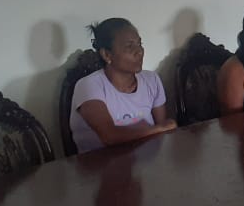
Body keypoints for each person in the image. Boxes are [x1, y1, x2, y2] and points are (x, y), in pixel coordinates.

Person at [69, 18, 177, 153]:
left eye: (139, 44)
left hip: (146, 162)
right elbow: (110, 137)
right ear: (107, 54)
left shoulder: (151, 80)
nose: (139, 51)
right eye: (129, 46)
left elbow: (162, 137)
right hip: (101, 164)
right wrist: (158, 129)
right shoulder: (89, 86)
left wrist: (159, 129)